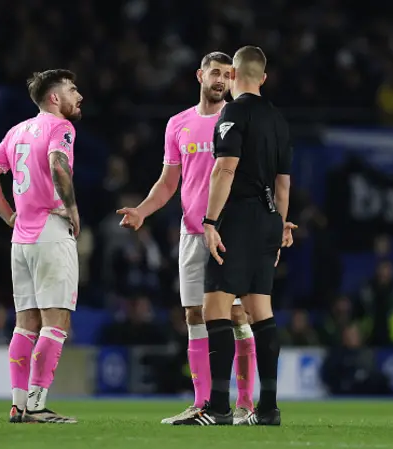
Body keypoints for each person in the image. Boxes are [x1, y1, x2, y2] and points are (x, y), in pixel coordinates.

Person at [117, 52, 265, 424]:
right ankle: (203, 404)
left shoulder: (241, 120)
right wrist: (142, 211)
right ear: (200, 75)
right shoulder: (178, 124)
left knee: (235, 314)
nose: (220, 80)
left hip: (231, 231)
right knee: (193, 315)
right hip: (191, 231)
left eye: (227, 74)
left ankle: (245, 404)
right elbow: (169, 183)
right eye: (214, 72)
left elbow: (263, 177)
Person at [173, 46, 294, 426]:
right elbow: (284, 184)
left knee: (215, 309)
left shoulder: (234, 111)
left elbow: (224, 170)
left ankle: (219, 407)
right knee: (261, 312)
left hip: (238, 218)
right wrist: (281, 224)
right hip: (269, 218)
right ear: (264, 77)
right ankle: (269, 408)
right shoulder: (279, 119)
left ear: (235, 74)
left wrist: (210, 221)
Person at [0, 69, 83, 424]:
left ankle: (18, 404)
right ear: (54, 97)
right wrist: (71, 207)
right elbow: (58, 163)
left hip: (20, 238)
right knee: (55, 322)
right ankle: (37, 405)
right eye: (71, 89)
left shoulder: (17, 131)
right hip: (51, 231)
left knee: (25, 324)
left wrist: (8, 215)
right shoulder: (61, 128)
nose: (78, 95)